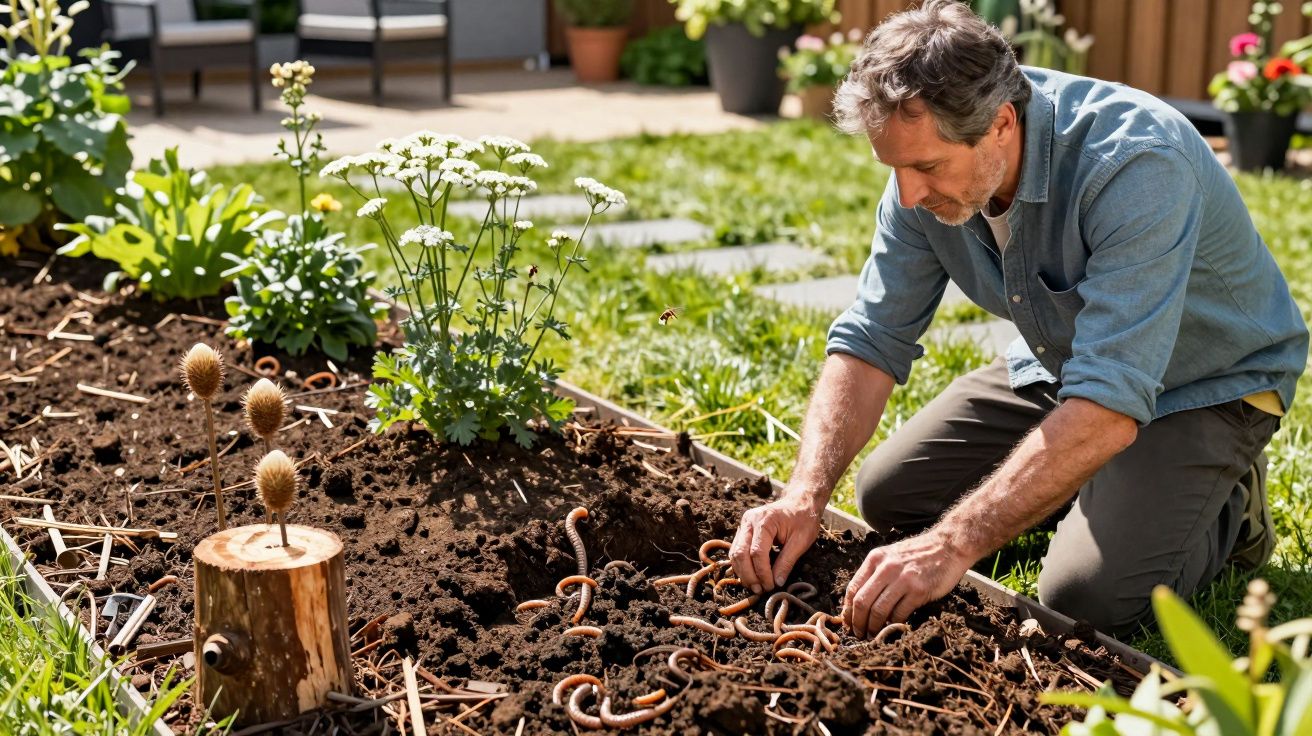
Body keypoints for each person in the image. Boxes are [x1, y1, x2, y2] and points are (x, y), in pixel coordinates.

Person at [729, 0, 1308, 638]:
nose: (907, 195)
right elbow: (871, 338)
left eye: (925, 167)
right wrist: (804, 494)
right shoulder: (926, 173)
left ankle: (1231, 511)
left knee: (1083, 598)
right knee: (890, 496)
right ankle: (1099, 485)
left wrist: (951, 547)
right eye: (893, 167)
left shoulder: (1136, 164)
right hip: (1070, 364)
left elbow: (1111, 403)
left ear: (1002, 124)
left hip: (1205, 385)